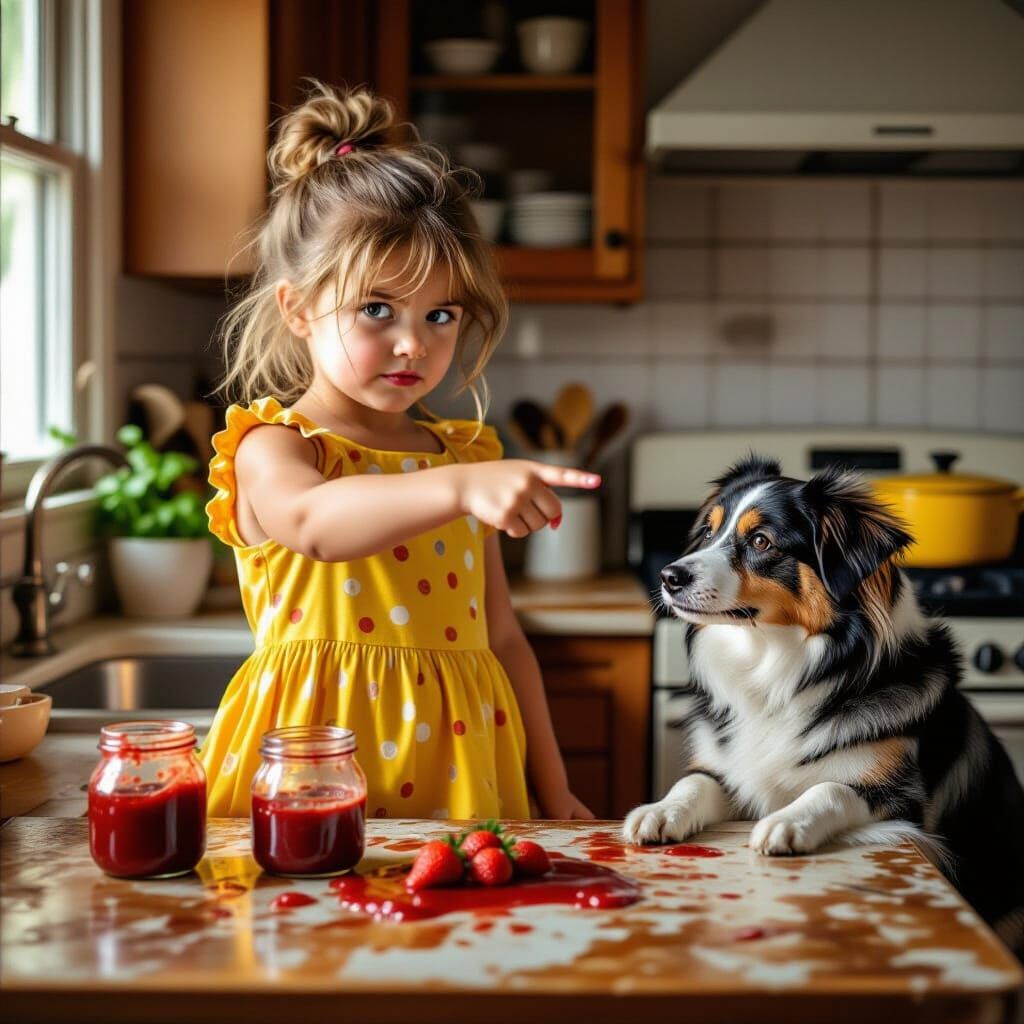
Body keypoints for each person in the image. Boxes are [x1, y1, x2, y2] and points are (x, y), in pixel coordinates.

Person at [200, 81, 599, 822]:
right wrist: (456, 490)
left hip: (465, 773)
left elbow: (505, 639)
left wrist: (555, 788)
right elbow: (315, 524)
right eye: (376, 309)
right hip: (310, 775)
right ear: (297, 308)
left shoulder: (464, 456)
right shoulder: (276, 446)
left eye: (440, 314)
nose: (413, 342)